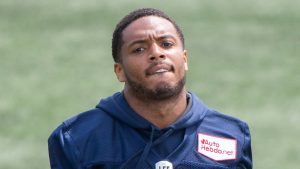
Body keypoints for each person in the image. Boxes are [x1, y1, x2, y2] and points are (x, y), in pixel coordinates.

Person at [48, 8, 252, 169]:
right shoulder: (77, 138)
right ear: (119, 71)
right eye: (139, 49)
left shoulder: (231, 134)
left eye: (166, 43)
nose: (156, 53)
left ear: (184, 58)